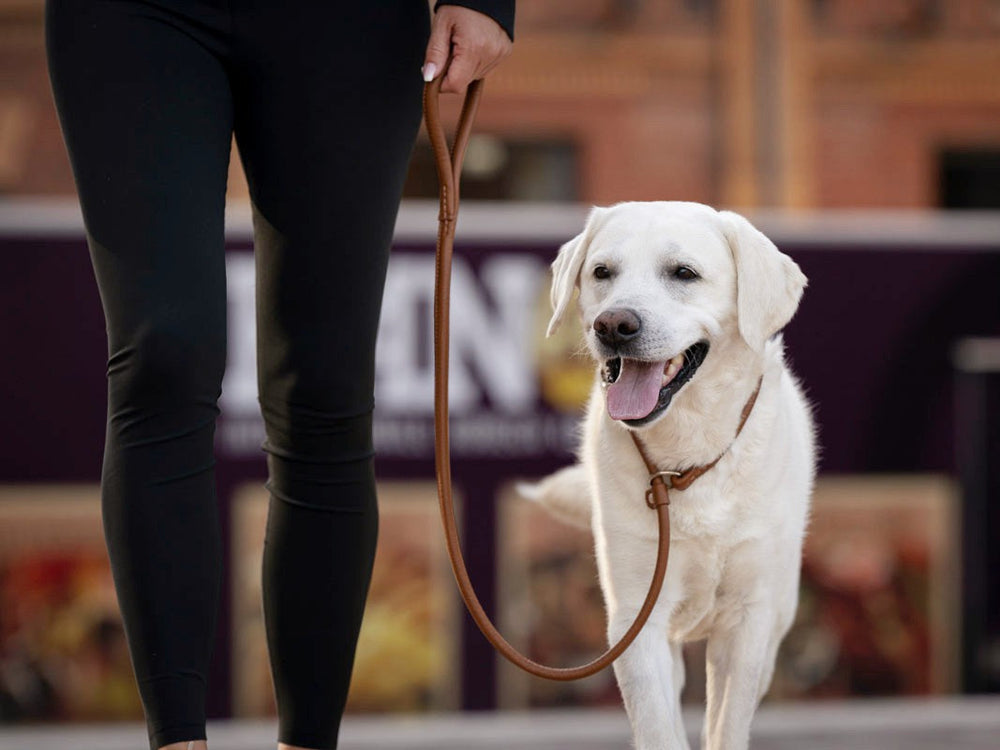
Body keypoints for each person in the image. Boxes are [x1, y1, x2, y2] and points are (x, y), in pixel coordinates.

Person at [45, 1, 513, 749]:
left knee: (323, 387)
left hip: (348, 24)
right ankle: (177, 739)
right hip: (135, 16)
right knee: (162, 354)